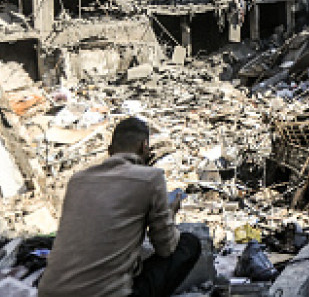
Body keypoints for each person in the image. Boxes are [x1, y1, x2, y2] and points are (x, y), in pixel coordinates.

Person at [38, 117, 200, 297]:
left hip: (50, 292)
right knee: (189, 244)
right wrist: (170, 213)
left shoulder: (77, 181)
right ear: (144, 147)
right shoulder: (151, 178)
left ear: (110, 151)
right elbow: (166, 248)